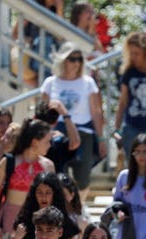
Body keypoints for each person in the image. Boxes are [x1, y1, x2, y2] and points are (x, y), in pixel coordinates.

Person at [42, 44, 106, 199]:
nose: (76, 63)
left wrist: (101, 139)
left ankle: (78, 205)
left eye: (79, 59)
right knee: (56, 174)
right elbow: (42, 113)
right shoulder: (50, 82)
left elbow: (96, 112)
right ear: (63, 60)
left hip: (83, 132)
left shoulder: (88, 82)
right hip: (58, 134)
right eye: (72, 59)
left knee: (83, 177)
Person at [114, 134, 146, 239]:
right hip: (125, 237)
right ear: (132, 153)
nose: (141, 156)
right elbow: (115, 204)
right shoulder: (123, 176)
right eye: (138, 151)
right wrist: (118, 214)